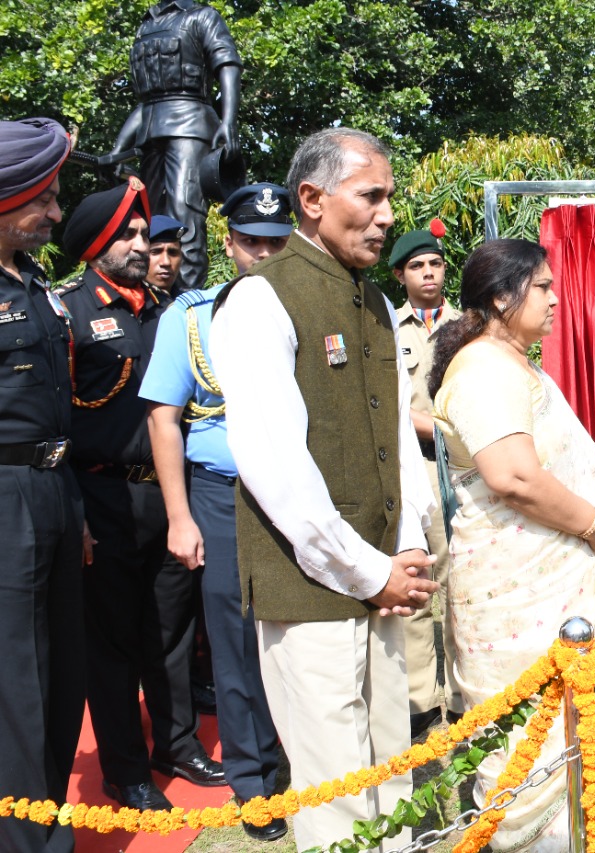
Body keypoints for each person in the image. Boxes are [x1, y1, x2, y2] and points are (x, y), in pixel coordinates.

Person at [209, 129, 437, 851]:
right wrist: (373, 572)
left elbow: (398, 437)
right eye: (371, 196)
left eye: (389, 197)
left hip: (383, 580)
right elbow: (276, 468)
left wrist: (404, 555)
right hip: (313, 589)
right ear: (312, 200)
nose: (388, 214)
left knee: (391, 767)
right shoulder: (258, 301)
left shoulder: (371, 301)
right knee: (336, 791)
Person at [429, 238, 595, 851]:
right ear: (502, 297)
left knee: (573, 725)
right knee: (526, 740)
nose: (557, 299)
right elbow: (514, 478)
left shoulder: (514, 363)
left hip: (549, 578)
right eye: (544, 288)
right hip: (515, 585)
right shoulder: (484, 368)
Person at [57, 178, 226, 812]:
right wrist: (75, 512)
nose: (139, 244)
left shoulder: (168, 309)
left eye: (140, 233)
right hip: (101, 497)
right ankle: (125, 768)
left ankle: (177, 744)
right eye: (126, 235)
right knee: (114, 641)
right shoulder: (68, 311)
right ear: (96, 244)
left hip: (169, 496)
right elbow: (53, 419)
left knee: (173, 629)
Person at [138, 182, 295, 842]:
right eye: (251, 242)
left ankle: (300, 760)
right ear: (229, 244)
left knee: (293, 634)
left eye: (275, 242)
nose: (263, 253)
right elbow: (163, 418)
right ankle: (255, 782)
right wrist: (179, 515)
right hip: (221, 495)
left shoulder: (307, 307)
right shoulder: (190, 317)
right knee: (232, 643)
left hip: (293, 493)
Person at [0, 116, 85, 853]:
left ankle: (52, 824)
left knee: (62, 673)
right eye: (45, 199)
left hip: (55, 492)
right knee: (17, 684)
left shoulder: (30, 280)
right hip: (5, 502)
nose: (56, 213)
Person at [388, 223, 464, 735]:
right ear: (401, 275)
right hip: (410, 465)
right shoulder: (387, 328)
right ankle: (418, 699)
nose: (429, 272)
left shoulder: (469, 325)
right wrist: (434, 430)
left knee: (463, 580)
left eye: (434, 263)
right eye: (417, 266)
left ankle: (462, 693)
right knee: (415, 581)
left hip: (460, 468)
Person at [113, 0, 242, 293]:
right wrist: (119, 147)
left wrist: (229, 120)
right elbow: (146, 101)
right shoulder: (145, 25)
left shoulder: (202, 17)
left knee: (186, 215)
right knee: (149, 220)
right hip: (149, 129)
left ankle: (187, 300)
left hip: (190, 124)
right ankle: (151, 298)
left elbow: (228, 64)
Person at [147, 214, 186, 294]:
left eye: (173, 253)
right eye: (156, 252)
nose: (166, 262)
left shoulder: (189, 303)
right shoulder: (130, 303)